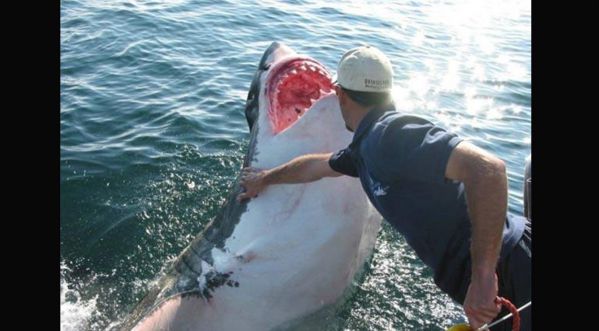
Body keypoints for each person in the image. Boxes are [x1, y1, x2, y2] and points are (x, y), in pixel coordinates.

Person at [237, 45, 531, 331]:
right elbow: (317, 166)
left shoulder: (389, 134)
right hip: (495, 272)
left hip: (510, 266)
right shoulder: (367, 147)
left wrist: (482, 276)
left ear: (339, 95)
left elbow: (489, 170)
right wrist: (265, 178)